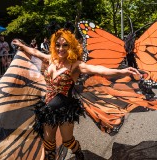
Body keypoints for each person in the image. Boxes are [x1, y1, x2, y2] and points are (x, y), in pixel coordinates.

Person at [12, 29, 140, 160]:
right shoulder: (51, 59)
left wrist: (123, 71)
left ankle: (77, 151)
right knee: (48, 142)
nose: (60, 48)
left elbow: (98, 69)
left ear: (71, 46)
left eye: (65, 45)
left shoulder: (76, 65)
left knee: (67, 141)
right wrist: (22, 46)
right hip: (47, 110)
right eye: (58, 45)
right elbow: (35, 52)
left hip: (65, 110)